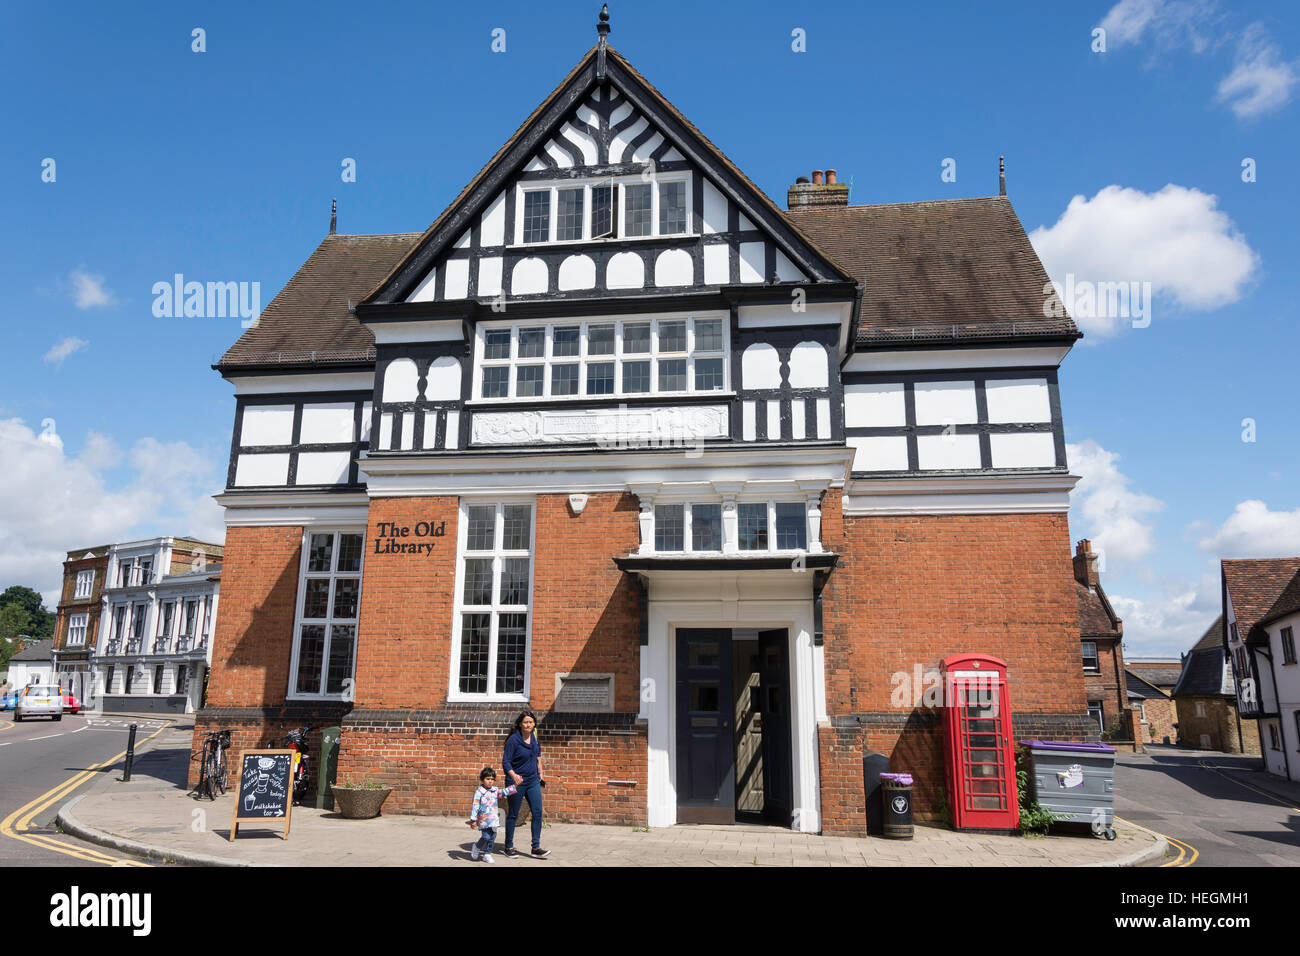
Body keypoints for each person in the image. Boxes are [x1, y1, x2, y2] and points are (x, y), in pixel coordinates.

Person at [502, 709, 550, 858]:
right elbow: (506, 762)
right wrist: (514, 775)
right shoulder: (514, 740)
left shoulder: (534, 736)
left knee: (537, 812)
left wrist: (540, 770)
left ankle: (536, 847)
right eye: (525, 722)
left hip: (533, 780)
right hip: (516, 782)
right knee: (513, 814)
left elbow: (538, 754)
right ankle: (508, 846)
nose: (528, 725)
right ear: (520, 724)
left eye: (531, 722)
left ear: (534, 724)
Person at [467, 766, 517, 863]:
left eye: (492, 779)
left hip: (494, 819)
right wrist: (473, 820)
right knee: (486, 836)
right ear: (482, 779)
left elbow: (504, 792)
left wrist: (515, 786)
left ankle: (487, 854)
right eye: (487, 779)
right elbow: (475, 806)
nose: (490, 781)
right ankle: (476, 846)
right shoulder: (479, 792)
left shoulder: (495, 791)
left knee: (493, 837)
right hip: (484, 820)